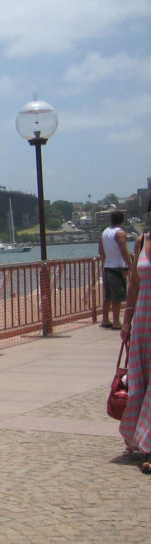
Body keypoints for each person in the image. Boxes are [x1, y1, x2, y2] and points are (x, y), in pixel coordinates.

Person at [120, 199, 151, 474]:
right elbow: (134, 284)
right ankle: (142, 441)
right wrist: (126, 321)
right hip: (143, 320)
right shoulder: (142, 241)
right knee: (141, 380)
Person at [100, 211, 131, 330]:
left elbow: (101, 251)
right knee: (117, 297)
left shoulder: (104, 232)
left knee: (107, 296)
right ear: (122, 220)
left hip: (107, 267)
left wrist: (104, 262)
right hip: (117, 268)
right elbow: (124, 251)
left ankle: (105, 319)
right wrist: (130, 265)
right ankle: (116, 322)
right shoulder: (120, 233)